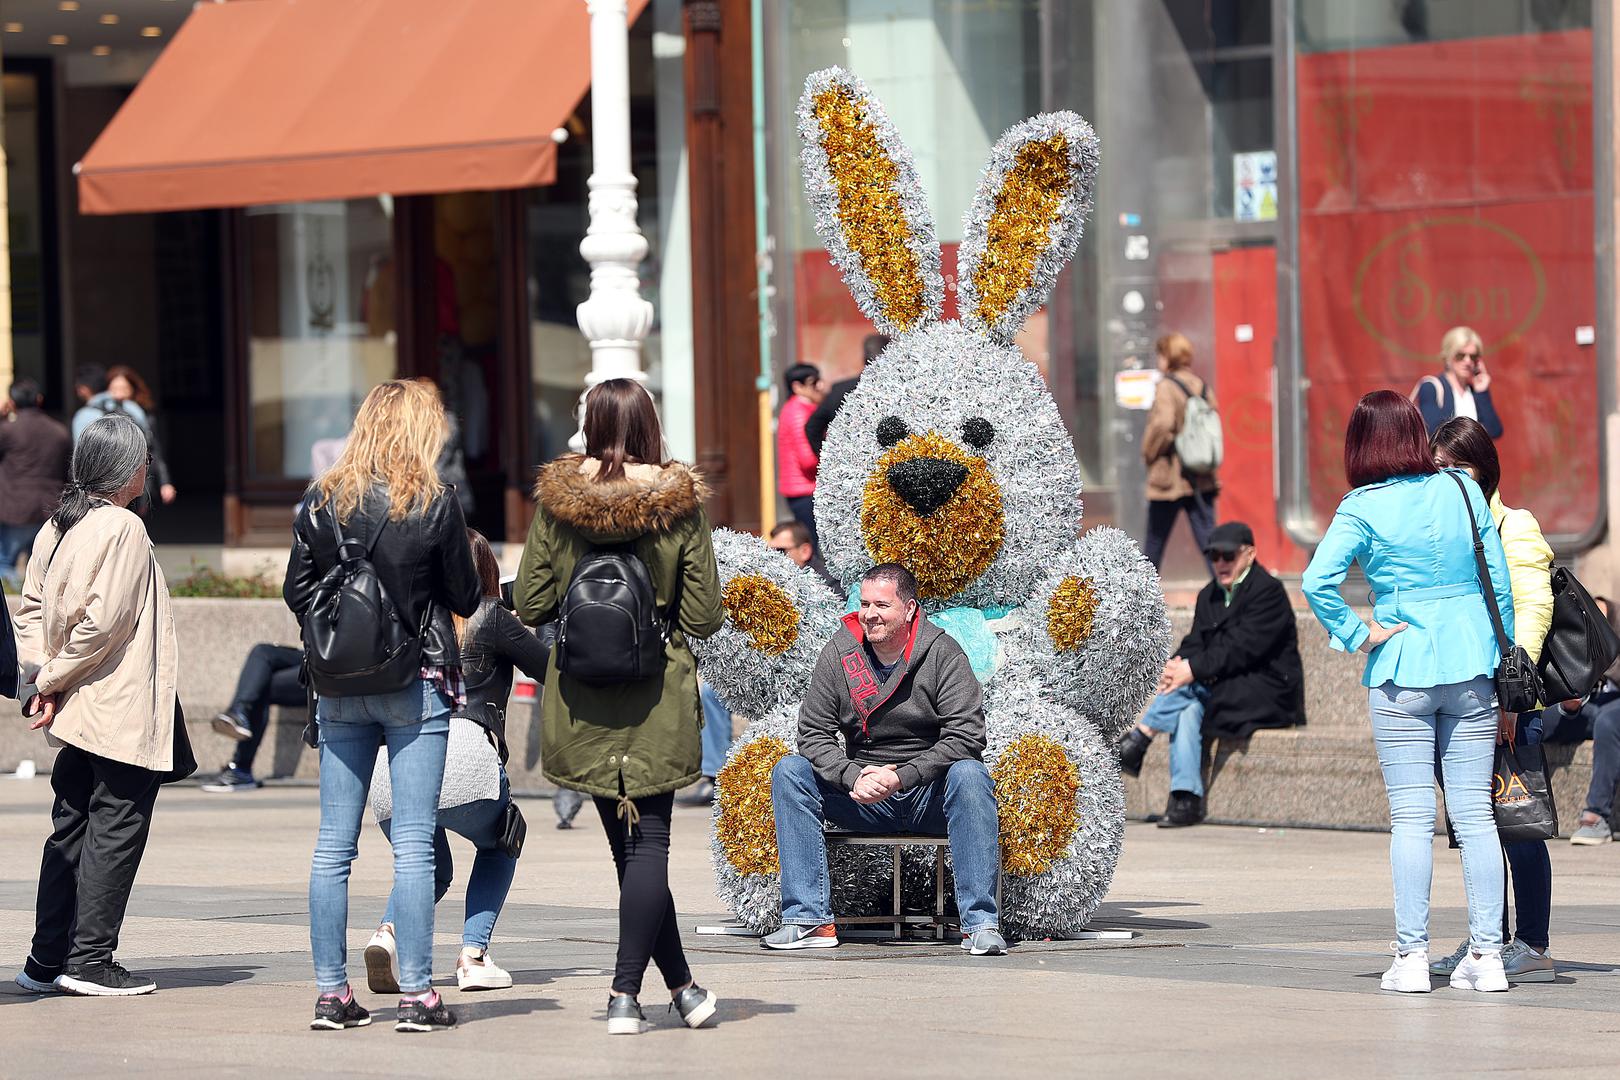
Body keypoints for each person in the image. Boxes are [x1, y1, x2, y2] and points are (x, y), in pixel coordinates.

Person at [515, 378, 725, 1036]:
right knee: (650, 845)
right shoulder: (677, 503)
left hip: (580, 697)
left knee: (627, 855)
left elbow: (528, 603)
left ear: (589, 424)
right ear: (649, 427)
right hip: (655, 695)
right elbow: (704, 614)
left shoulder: (558, 503)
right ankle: (625, 994)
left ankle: (684, 987)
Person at [284, 379, 482, 1033]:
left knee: (332, 845)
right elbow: (462, 590)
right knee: (415, 847)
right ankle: (419, 997)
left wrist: (346, 622)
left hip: (340, 684)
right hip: (415, 678)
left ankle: (330, 994)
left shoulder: (322, 500)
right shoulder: (434, 501)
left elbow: (297, 591)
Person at [1302, 390, 1513, 995]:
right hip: (1473, 661)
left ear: (1361, 444)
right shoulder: (1463, 490)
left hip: (1401, 665)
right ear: (1418, 435)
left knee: (1412, 819)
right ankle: (1488, 956)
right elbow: (1495, 576)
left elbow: (1319, 580)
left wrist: (1356, 632)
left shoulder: (1360, 507)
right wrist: (1502, 657)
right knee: (1476, 815)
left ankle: (1413, 957)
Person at [12, 415, 180, 997]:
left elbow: (28, 612)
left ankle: (44, 959)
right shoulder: (123, 528)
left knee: (70, 827)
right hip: (116, 704)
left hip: (75, 705)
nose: (145, 469)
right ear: (126, 471)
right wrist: (52, 679)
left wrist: (41, 678)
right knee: (117, 823)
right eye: (142, 461)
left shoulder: (57, 525)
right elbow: (105, 623)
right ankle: (90, 960)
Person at [763, 563, 1006, 956]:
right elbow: (813, 733)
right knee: (790, 771)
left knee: (971, 774)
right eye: (864, 604)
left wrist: (905, 776)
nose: (870, 614)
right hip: (862, 794)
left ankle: (979, 924)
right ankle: (808, 920)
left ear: (909, 610)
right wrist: (851, 775)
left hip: (928, 792)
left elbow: (967, 735)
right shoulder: (840, 653)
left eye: (882, 605)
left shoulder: (942, 652)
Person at [364, 529, 549, 995]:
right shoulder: (492, 616)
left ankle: (386, 934)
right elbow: (552, 670)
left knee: (428, 865)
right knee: (501, 840)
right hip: (465, 757)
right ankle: (473, 955)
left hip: (393, 766)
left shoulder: (407, 618)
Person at [1424, 417, 1557, 984]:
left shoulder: (1514, 524)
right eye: (1439, 469)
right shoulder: (1440, 530)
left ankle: (1532, 943)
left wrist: (1512, 696)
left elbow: (1531, 612)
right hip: (1456, 691)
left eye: (1459, 468)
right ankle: (1489, 938)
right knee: (1474, 825)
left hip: (1506, 699)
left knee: (1516, 821)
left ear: (1484, 470)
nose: (1448, 479)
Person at [1117, 521, 1305, 828]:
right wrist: (1177, 665)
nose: (1220, 563)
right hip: (1222, 685)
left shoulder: (1268, 592)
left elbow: (1242, 648)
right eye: (1214, 556)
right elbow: (1196, 642)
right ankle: (1185, 799)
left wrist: (1190, 670)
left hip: (1266, 689)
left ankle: (1142, 739)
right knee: (1188, 707)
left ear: (1250, 554)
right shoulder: (1210, 595)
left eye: (1228, 556)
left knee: (1192, 689)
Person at [1141, 332, 1220, 571]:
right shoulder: (1202, 386)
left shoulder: (1166, 386)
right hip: (1200, 475)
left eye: (1160, 354)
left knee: (1154, 542)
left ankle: (1140, 596)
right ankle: (1227, 595)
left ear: (1168, 356)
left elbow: (1163, 424)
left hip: (1170, 478)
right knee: (1209, 543)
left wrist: (1149, 452)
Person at [201, 644, 306, 792]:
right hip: (313, 652)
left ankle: (241, 768)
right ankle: (239, 712)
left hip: (338, 662)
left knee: (259, 683)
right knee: (262, 653)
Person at [0, 379, 72, 591]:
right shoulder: (59, 431)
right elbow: (68, 470)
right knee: (41, 568)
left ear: (11, 403)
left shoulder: (8, 431)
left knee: (5, 563)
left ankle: (12, 611)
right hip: (50, 508)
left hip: (14, 507)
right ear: (39, 400)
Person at [805, 333, 888, 455]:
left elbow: (812, 427)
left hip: (851, 461)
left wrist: (828, 457)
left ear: (864, 357)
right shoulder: (898, 390)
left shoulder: (840, 389)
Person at [1413, 326, 1502, 438]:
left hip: (1473, 456)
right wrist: (1476, 432)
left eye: (1473, 356)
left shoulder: (1475, 392)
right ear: (1449, 356)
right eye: (1460, 355)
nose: (1467, 361)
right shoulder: (1431, 387)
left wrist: (1482, 392)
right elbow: (1436, 431)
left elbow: (1495, 431)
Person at [106, 367, 176, 508]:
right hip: (112, 479)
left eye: (123, 388)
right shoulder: (102, 415)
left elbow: (155, 450)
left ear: (132, 390)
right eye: (114, 389)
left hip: (139, 478)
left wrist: (165, 483)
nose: (119, 394)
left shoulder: (144, 417)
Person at [777, 364, 825, 552]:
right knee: (815, 548)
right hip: (806, 490)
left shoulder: (795, 409)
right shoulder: (800, 412)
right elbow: (808, 459)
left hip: (801, 490)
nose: (820, 386)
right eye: (813, 382)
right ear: (797, 386)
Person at [768, 519, 842, 596]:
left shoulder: (829, 585)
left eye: (780, 551)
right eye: (770, 551)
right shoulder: (773, 580)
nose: (773, 556)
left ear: (805, 551)